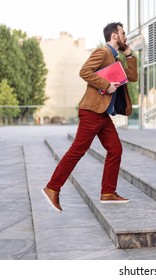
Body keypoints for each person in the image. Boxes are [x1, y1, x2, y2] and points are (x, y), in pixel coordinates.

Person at [42, 22, 138, 212]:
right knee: (77, 150)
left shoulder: (116, 58)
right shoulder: (102, 52)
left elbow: (132, 77)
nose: (126, 37)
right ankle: (52, 188)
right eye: (123, 33)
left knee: (115, 150)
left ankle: (108, 192)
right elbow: (84, 71)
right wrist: (105, 85)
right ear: (114, 36)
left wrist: (129, 55)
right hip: (92, 111)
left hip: (102, 114)